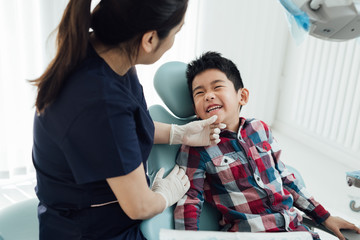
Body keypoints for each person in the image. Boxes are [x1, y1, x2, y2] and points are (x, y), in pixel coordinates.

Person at [30, 1, 224, 239]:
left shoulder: (110, 58)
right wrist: (164, 196)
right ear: (150, 39)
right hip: (92, 230)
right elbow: (138, 206)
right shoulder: (101, 102)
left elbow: (120, 136)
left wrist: (179, 132)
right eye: (177, 32)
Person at [174, 51, 360, 240]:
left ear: (242, 96)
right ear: (195, 109)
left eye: (217, 87)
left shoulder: (259, 129)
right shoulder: (196, 146)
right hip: (251, 234)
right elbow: (189, 201)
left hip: (295, 231)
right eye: (200, 92)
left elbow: (285, 179)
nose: (208, 96)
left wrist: (325, 217)